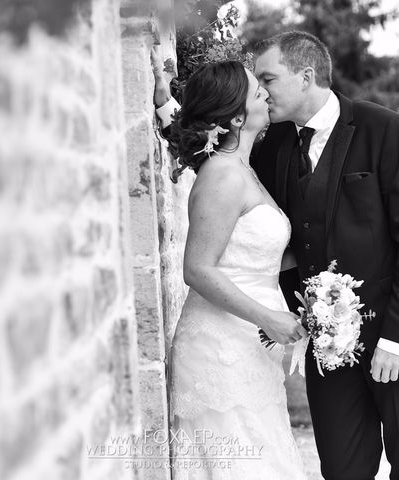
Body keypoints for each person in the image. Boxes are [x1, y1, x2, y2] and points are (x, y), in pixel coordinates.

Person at [154, 31, 399, 480]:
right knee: (341, 467)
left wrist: (398, 339)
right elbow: (211, 152)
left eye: (267, 79)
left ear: (305, 76)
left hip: (397, 336)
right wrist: (165, 107)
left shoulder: (383, 128)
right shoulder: (270, 143)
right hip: (325, 345)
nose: (262, 89)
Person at [161, 60, 308, 479]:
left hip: (250, 343)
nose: (263, 89)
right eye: (255, 87)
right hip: (220, 346)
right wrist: (269, 318)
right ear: (237, 115)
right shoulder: (223, 177)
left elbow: (254, 254)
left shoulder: (244, 169)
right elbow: (198, 269)